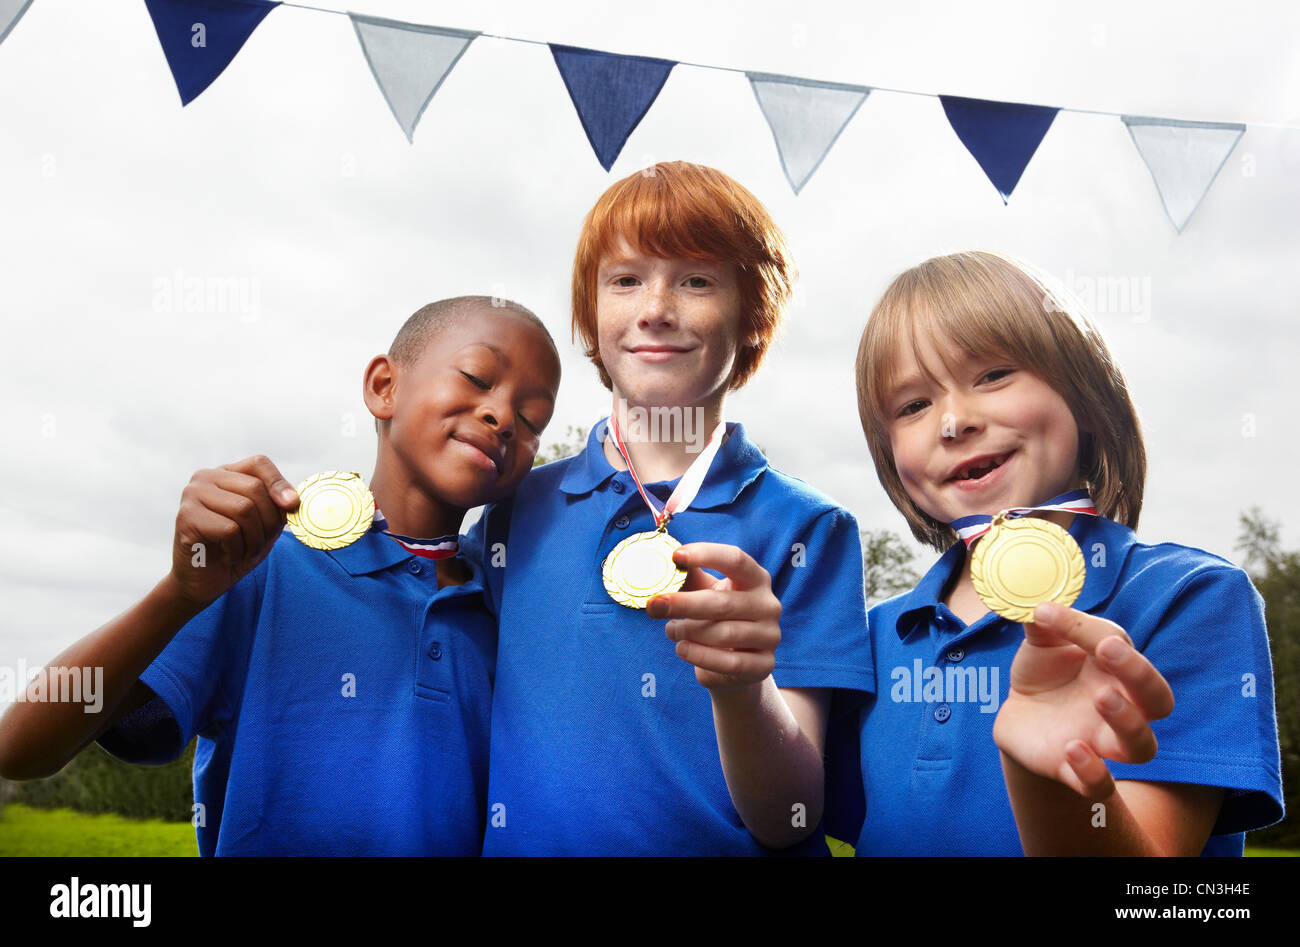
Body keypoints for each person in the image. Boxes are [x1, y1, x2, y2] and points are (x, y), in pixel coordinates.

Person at [0, 297, 562, 856]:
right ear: (383, 387)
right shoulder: (263, 567)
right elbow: (21, 750)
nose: (504, 417)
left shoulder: (508, 606)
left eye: (533, 418)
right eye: (476, 377)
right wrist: (178, 594)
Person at [467, 161, 872, 855]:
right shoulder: (512, 511)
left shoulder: (810, 529)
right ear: (593, 319)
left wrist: (745, 689)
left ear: (751, 319)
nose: (655, 307)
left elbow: (794, 817)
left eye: (697, 280)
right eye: (625, 280)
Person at [844, 250, 1283, 855]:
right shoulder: (870, 638)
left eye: (993, 375)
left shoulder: (1190, 599)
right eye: (913, 405)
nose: (953, 421)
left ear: (1085, 391)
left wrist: (1052, 779)